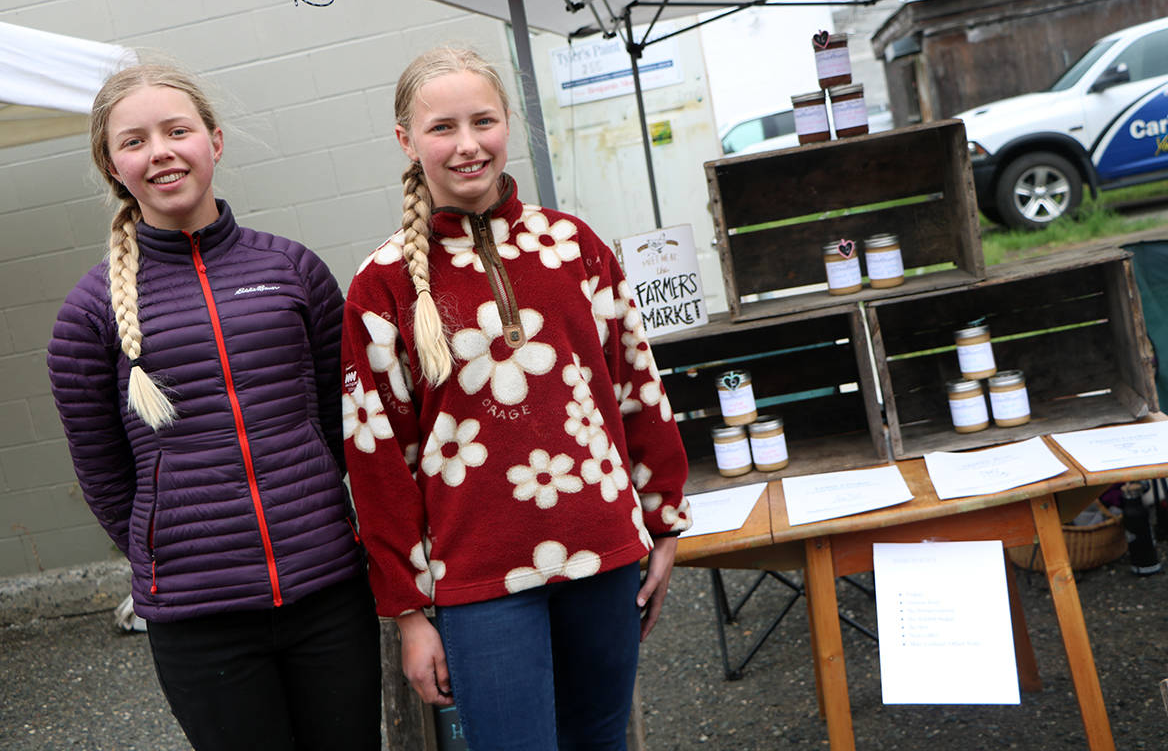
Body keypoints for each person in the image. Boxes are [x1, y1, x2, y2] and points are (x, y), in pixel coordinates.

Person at [340, 46, 693, 749]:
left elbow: (635, 385)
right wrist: (410, 613)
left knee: (601, 739)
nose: (468, 145)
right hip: (478, 576)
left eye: (484, 121)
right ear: (406, 140)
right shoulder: (381, 286)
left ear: (508, 126)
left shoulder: (574, 245)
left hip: (605, 551)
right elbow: (376, 457)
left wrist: (663, 526)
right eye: (443, 128)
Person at [46, 63, 381, 751]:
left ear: (215, 142)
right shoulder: (87, 316)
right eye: (134, 141)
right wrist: (172, 547)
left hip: (328, 596)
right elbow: (105, 476)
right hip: (200, 620)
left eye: (178, 130)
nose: (161, 151)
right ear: (112, 164)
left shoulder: (294, 271)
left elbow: (340, 423)